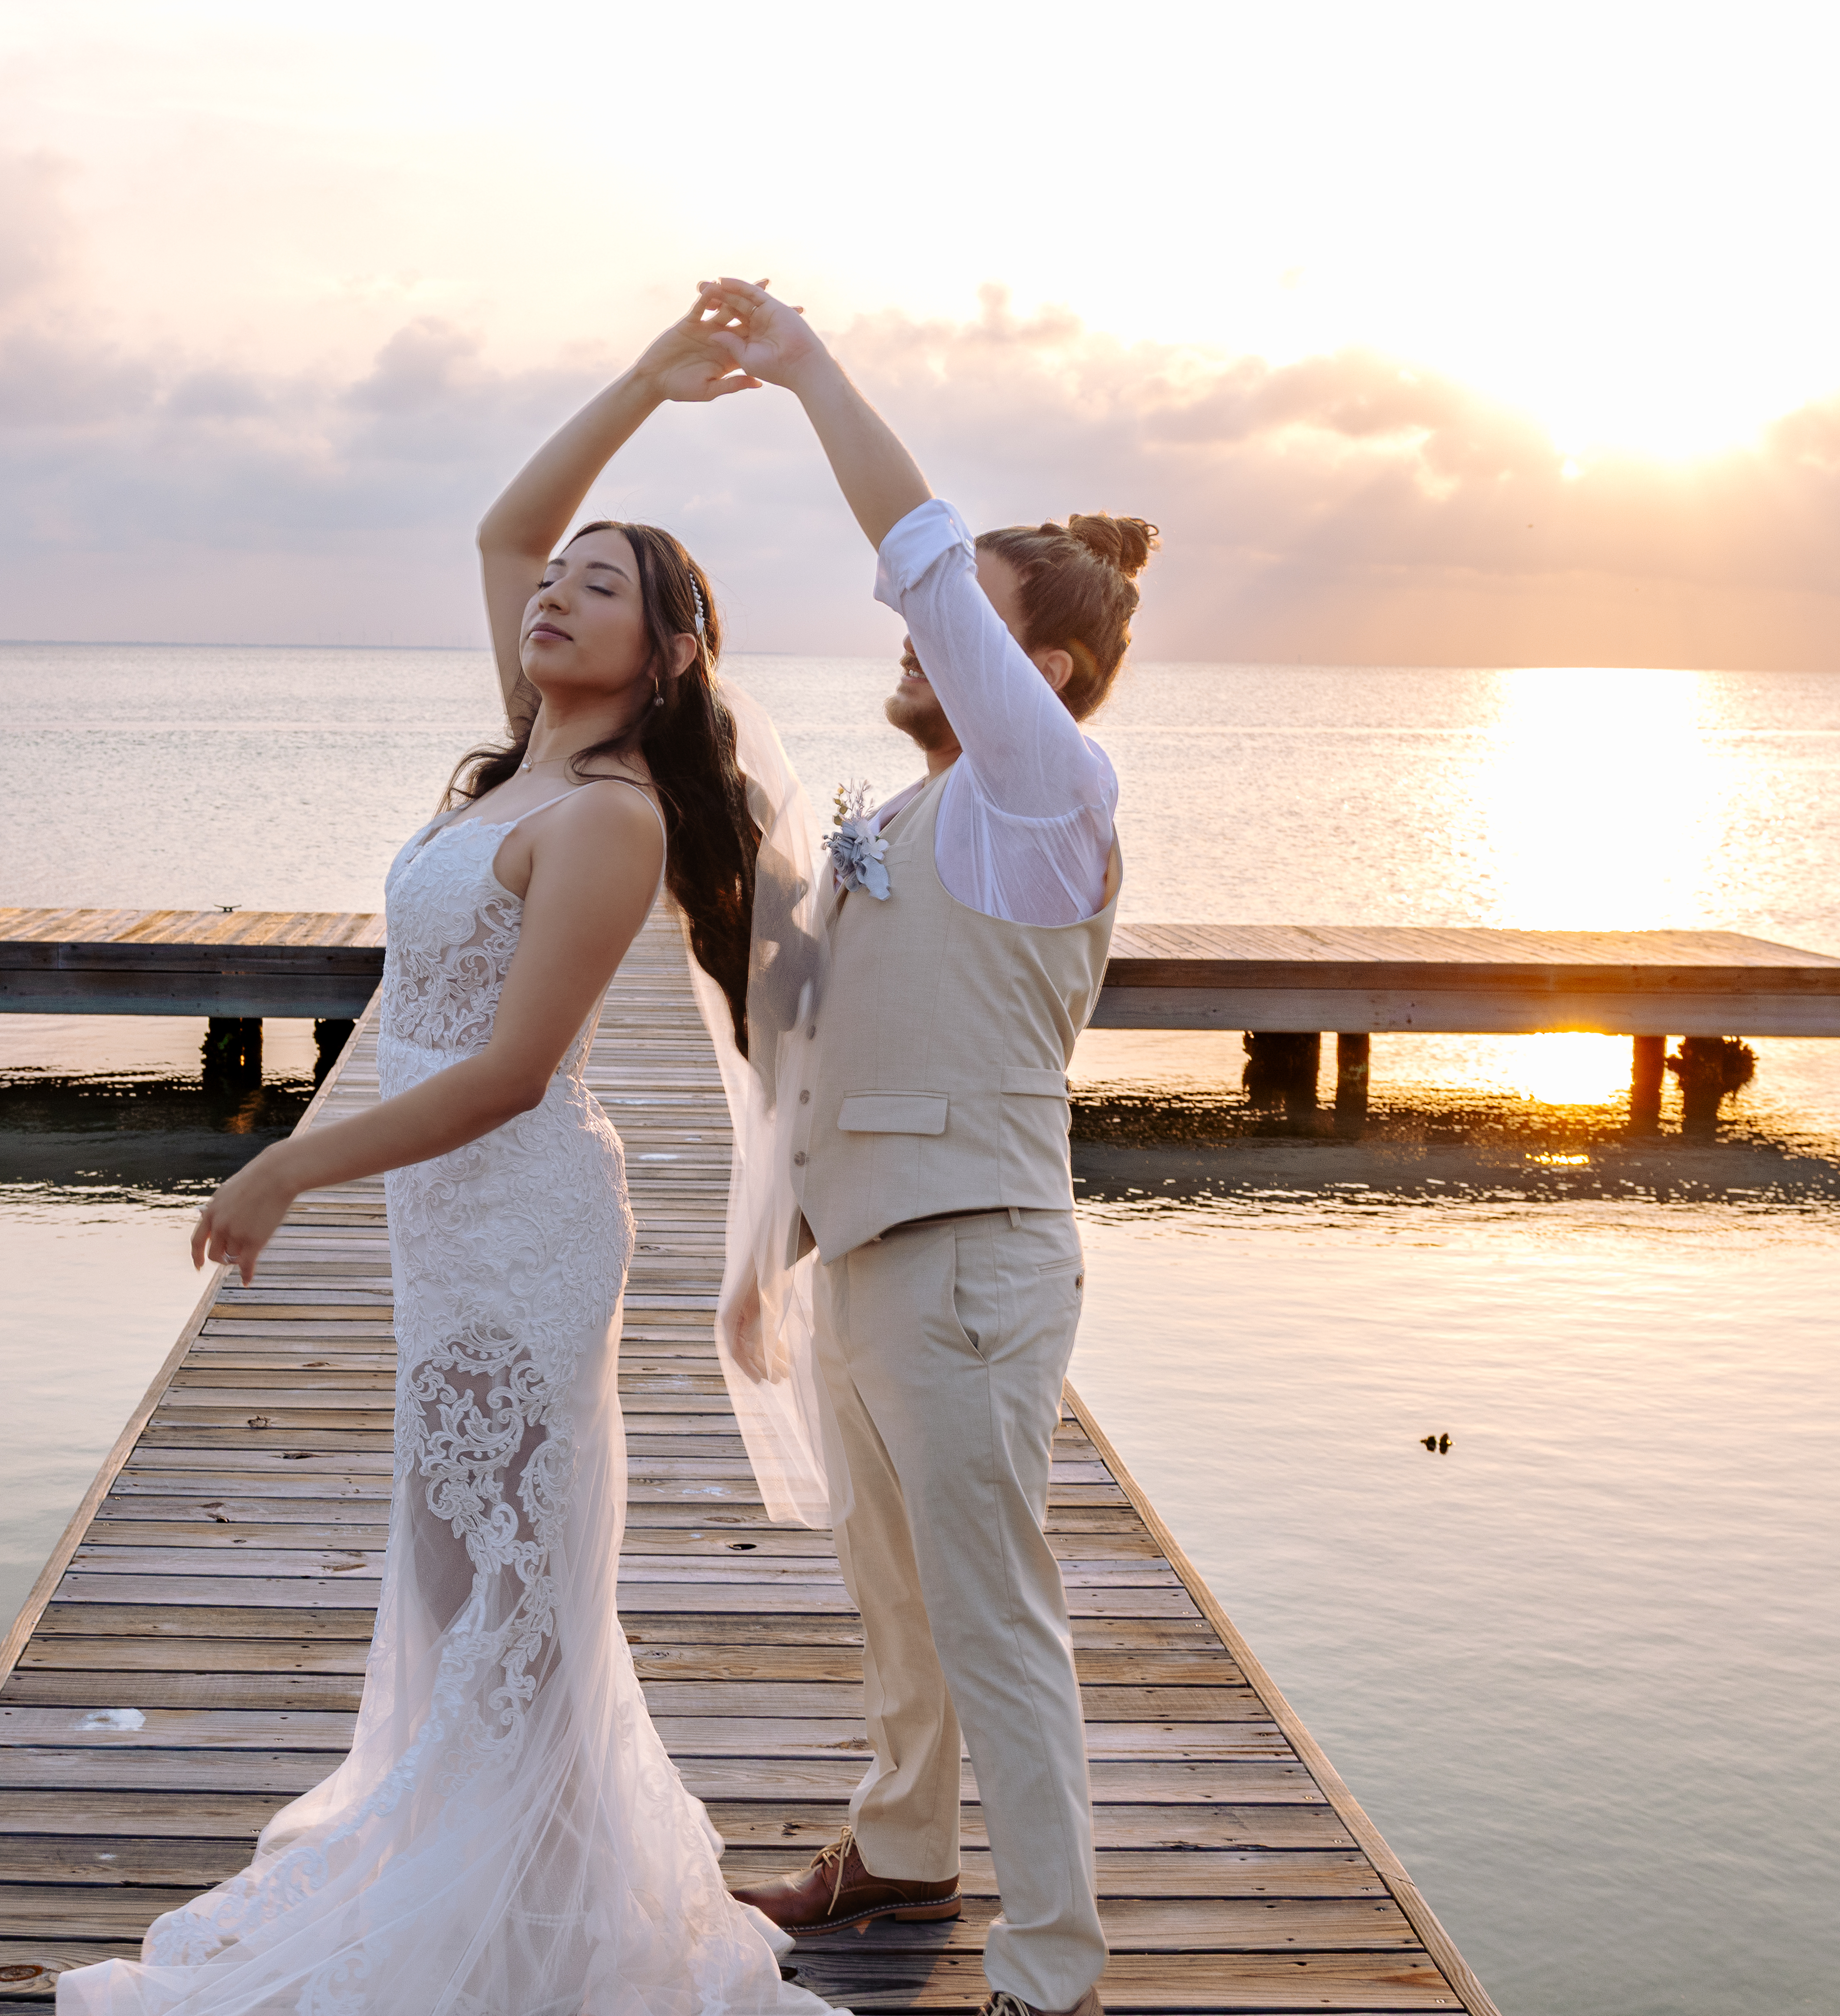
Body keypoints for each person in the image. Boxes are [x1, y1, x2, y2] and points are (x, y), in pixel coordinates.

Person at [57, 297, 835, 2016]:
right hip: (444, 1231)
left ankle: (532, 1932)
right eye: (565, 583)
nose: (554, 590)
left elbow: (506, 1074)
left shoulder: (612, 813)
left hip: (527, 1215)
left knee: (520, 1594)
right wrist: (645, 378)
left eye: (603, 587)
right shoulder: (522, 751)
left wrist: (288, 1165)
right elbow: (503, 523)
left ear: (665, 656)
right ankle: (492, 1891)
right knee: (452, 1576)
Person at [696, 276, 1158, 2016]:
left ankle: (1051, 1968)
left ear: (1036, 670)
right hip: (872, 1262)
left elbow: (912, 543)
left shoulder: (1047, 802)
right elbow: (812, 1047)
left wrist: (809, 368)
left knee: (994, 1613)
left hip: (975, 1262)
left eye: (959, 615)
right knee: (895, 1597)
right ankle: (902, 1845)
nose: (915, 630)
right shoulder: (892, 813)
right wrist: (766, 1258)